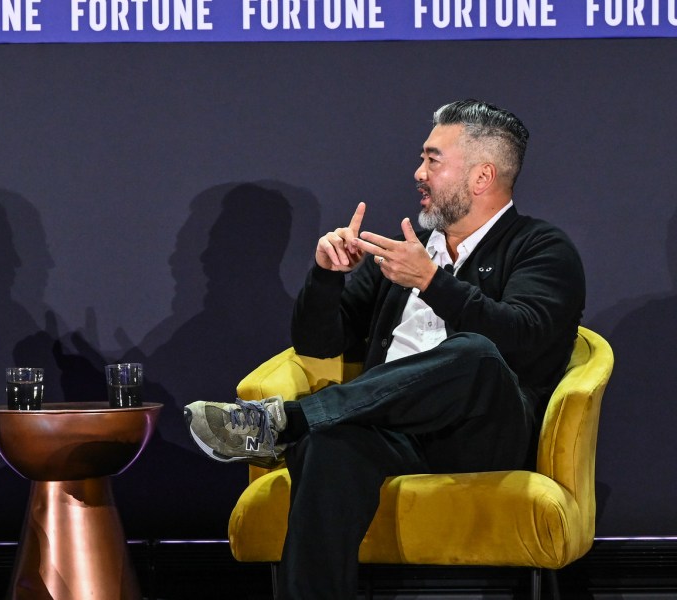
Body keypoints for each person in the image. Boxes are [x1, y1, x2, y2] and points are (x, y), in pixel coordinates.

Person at [184, 100, 585, 598]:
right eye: (422, 158)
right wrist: (327, 278)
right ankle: (300, 434)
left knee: (475, 353)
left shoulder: (541, 247)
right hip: (391, 430)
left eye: (433, 160)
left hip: (481, 434)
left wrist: (432, 282)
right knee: (327, 446)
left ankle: (287, 421)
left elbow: (527, 336)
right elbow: (319, 344)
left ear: (482, 176)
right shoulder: (405, 250)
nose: (419, 173)